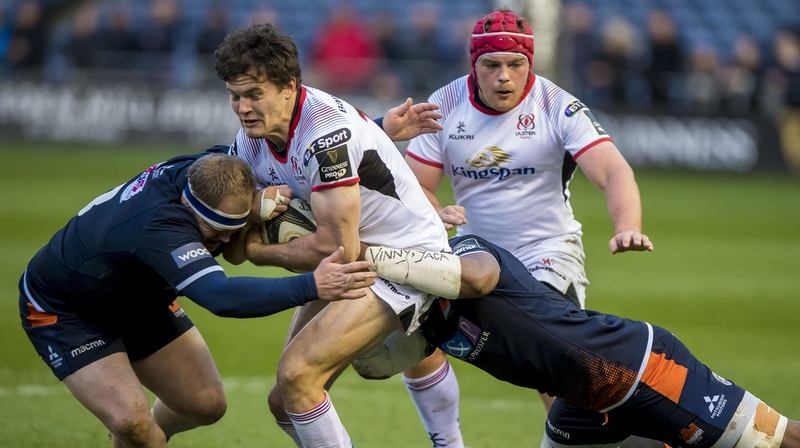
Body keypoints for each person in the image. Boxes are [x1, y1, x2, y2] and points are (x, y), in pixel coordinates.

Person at [213, 23, 466, 448]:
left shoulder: (325, 134)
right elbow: (232, 248)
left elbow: (334, 248)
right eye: (234, 96)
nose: (243, 108)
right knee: (284, 401)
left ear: (289, 86)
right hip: (355, 260)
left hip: (408, 259)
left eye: (254, 94)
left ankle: (449, 437)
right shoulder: (249, 142)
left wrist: (260, 250)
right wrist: (253, 213)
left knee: (297, 376)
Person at [18, 149, 375, 447]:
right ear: (191, 210)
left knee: (206, 405)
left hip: (140, 298)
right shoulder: (162, 227)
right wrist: (313, 285)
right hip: (68, 310)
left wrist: (380, 126)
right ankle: (138, 436)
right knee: (132, 423)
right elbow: (220, 296)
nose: (224, 242)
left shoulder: (218, 167)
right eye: (215, 233)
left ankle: (140, 438)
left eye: (233, 229)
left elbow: (304, 153)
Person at [403, 8, 653, 412]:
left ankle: (609, 427)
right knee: (411, 329)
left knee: (554, 361)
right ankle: (448, 439)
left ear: (529, 64)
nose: (504, 76)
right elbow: (416, 185)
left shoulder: (558, 105)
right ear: (474, 64)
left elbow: (613, 170)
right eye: (492, 65)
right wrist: (435, 211)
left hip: (547, 249)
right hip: (474, 254)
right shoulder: (444, 105)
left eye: (515, 64)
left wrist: (627, 225)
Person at [360, 237, 800, 448]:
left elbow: (478, 279)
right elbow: (375, 364)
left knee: (777, 439)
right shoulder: (416, 312)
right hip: (580, 401)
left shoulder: (465, 249)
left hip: (634, 368)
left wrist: (369, 255)